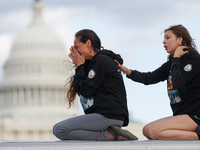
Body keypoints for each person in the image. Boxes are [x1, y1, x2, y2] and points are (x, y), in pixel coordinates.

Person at [116, 24, 200, 140]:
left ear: (180, 39)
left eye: (168, 38)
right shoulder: (171, 64)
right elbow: (149, 78)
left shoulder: (194, 59)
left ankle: (198, 136)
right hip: (181, 114)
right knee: (146, 130)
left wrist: (176, 58)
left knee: (153, 131)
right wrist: (126, 70)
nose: (163, 42)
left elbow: (177, 82)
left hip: (195, 114)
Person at [53, 29, 138, 141]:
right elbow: (82, 89)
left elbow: (87, 91)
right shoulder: (92, 63)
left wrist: (79, 67)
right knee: (65, 130)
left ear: (88, 43)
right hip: (105, 115)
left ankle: (110, 135)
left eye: (77, 47)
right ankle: (110, 133)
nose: (75, 52)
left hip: (108, 115)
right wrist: (81, 68)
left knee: (60, 129)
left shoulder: (101, 61)